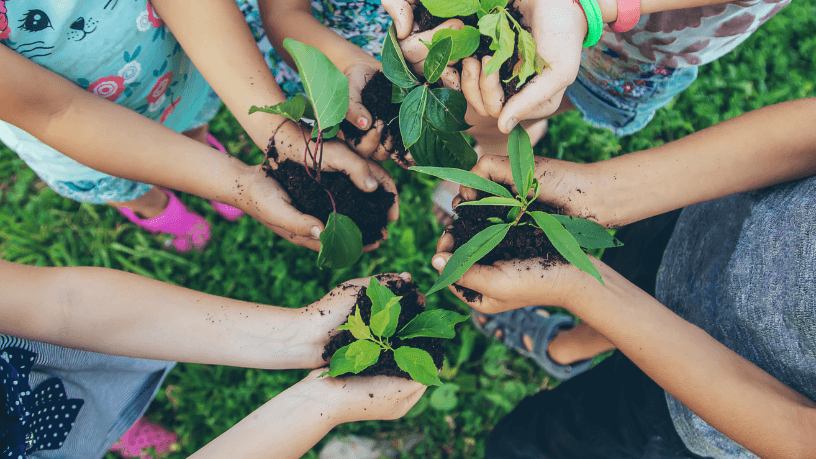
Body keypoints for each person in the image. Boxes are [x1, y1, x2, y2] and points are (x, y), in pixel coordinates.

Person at [431, 97, 816, 457]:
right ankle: (565, 346)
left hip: (698, 404)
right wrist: (602, 193)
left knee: (524, 444)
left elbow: (801, 437)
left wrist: (575, 285)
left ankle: (568, 342)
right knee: (631, 271)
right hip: (705, 230)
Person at [0, 0, 397, 252]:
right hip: (77, 138)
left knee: (194, 131)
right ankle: (154, 209)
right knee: (128, 186)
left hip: (175, 78)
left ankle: (204, 160)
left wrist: (278, 134)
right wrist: (237, 187)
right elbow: (56, 111)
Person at [0, 262, 426, 458]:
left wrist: (302, 333)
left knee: (85, 401)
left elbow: (64, 306)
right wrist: (320, 404)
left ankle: (102, 423)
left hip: (31, 380)